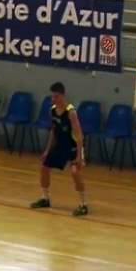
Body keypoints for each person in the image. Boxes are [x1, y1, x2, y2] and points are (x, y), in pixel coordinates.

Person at [30, 82, 89, 216]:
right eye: (52, 97)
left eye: (56, 97)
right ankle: (45, 198)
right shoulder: (52, 110)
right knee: (44, 168)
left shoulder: (71, 112)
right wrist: (47, 150)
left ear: (62, 96)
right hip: (60, 145)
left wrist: (79, 156)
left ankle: (83, 204)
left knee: (75, 172)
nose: (53, 99)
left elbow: (79, 135)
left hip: (73, 146)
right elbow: (53, 131)